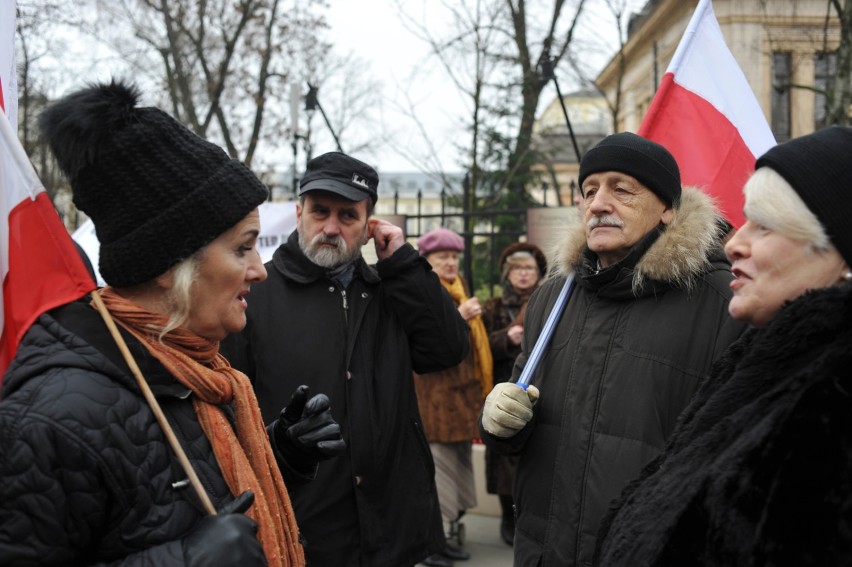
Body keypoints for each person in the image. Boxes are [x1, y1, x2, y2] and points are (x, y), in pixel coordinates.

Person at [0, 81, 346, 566]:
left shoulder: (191, 372)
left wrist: (279, 455)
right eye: (243, 247)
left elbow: (179, 501)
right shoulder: (52, 416)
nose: (259, 269)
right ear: (170, 266)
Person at [478, 132, 746, 567]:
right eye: (589, 190)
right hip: (543, 550)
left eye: (622, 188)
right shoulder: (552, 296)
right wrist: (500, 421)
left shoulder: (721, 301)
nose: (598, 203)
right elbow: (522, 408)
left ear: (667, 209)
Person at [594, 126, 852, 566]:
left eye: (766, 226)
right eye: (588, 190)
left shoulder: (834, 403)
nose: (734, 243)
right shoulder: (766, 359)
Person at [221, 152, 470, 566]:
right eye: (320, 212)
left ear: (369, 226)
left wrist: (404, 265)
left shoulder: (392, 288)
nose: (331, 227)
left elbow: (446, 351)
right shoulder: (254, 294)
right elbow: (227, 413)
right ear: (299, 212)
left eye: (348, 216)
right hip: (302, 528)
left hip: (391, 527)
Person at [413, 227, 493, 567]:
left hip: (458, 400)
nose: (450, 262)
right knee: (439, 474)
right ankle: (433, 544)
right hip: (434, 401)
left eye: (454, 256)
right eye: (442, 256)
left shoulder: (456, 290)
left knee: (455, 470)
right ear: (427, 261)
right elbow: (425, 340)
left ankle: (447, 534)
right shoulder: (425, 292)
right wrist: (459, 318)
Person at [480, 241, 548, 547]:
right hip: (502, 385)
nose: (523, 274)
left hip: (540, 387)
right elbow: (481, 346)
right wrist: (506, 337)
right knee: (504, 458)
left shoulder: (549, 300)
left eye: (529, 268)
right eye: (518, 269)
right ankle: (508, 518)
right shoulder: (494, 306)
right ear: (508, 274)